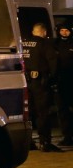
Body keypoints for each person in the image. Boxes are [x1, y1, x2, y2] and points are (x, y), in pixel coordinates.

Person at [24, 21, 61, 152]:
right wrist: (53, 79)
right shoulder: (45, 44)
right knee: (42, 112)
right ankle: (45, 141)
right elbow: (53, 63)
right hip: (40, 83)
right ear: (44, 32)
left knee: (28, 113)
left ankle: (28, 142)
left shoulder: (24, 43)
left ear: (33, 32)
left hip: (26, 82)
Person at [56, 24, 73, 147]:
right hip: (60, 82)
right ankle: (67, 136)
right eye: (62, 30)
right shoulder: (54, 43)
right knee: (62, 110)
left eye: (66, 30)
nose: (64, 33)